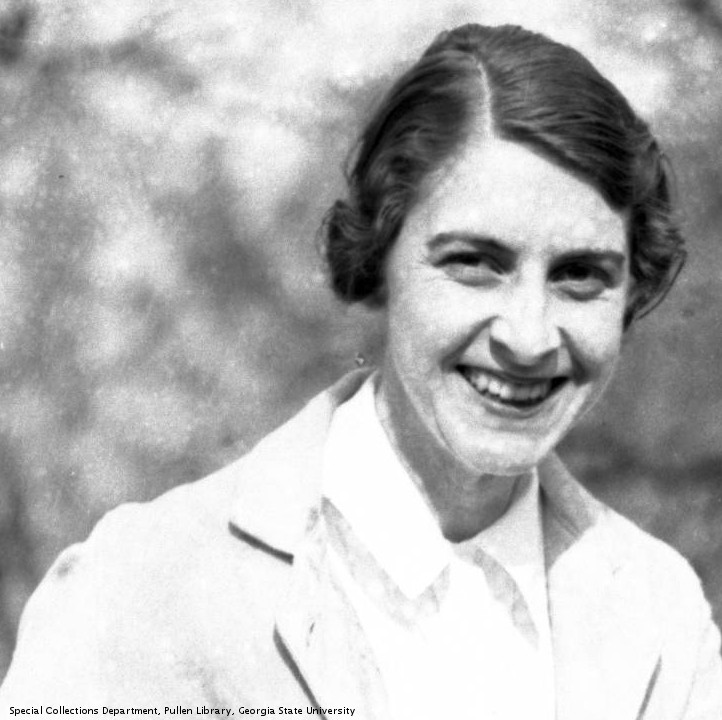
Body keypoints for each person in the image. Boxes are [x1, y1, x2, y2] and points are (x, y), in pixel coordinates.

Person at [1, 22, 721, 720]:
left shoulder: (661, 616)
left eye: (580, 275)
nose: (529, 338)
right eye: (474, 262)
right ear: (379, 257)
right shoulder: (146, 588)